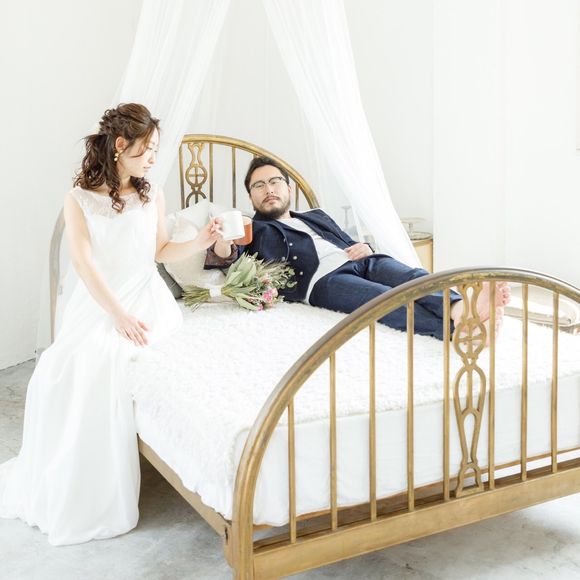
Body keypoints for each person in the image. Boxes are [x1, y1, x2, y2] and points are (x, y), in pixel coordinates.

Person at [0, 103, 222, 545]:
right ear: (120, 145)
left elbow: (160, 250)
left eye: (155, 149)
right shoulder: (79, 198)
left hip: (148, 300)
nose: (154, 158)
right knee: (69, 369)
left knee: (126, 360)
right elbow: (83, 264)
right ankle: (79, 478)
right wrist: (116, 314)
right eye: (148, 149)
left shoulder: (152, 193)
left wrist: (200, 241)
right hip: (103, 301)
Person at [207, 156, 510, 340]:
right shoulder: (254, 228)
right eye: (259, 186)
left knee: (413, 277)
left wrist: (362, 246)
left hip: (362, 261)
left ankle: (461, 308)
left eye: (274, 182)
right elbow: (233, 260)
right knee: (383, 300)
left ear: (288, 188)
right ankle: (459, 331)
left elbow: (346, 240)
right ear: (251, 197)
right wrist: (222, 242)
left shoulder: (316, 215)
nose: (269, 189)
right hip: (323, 281)